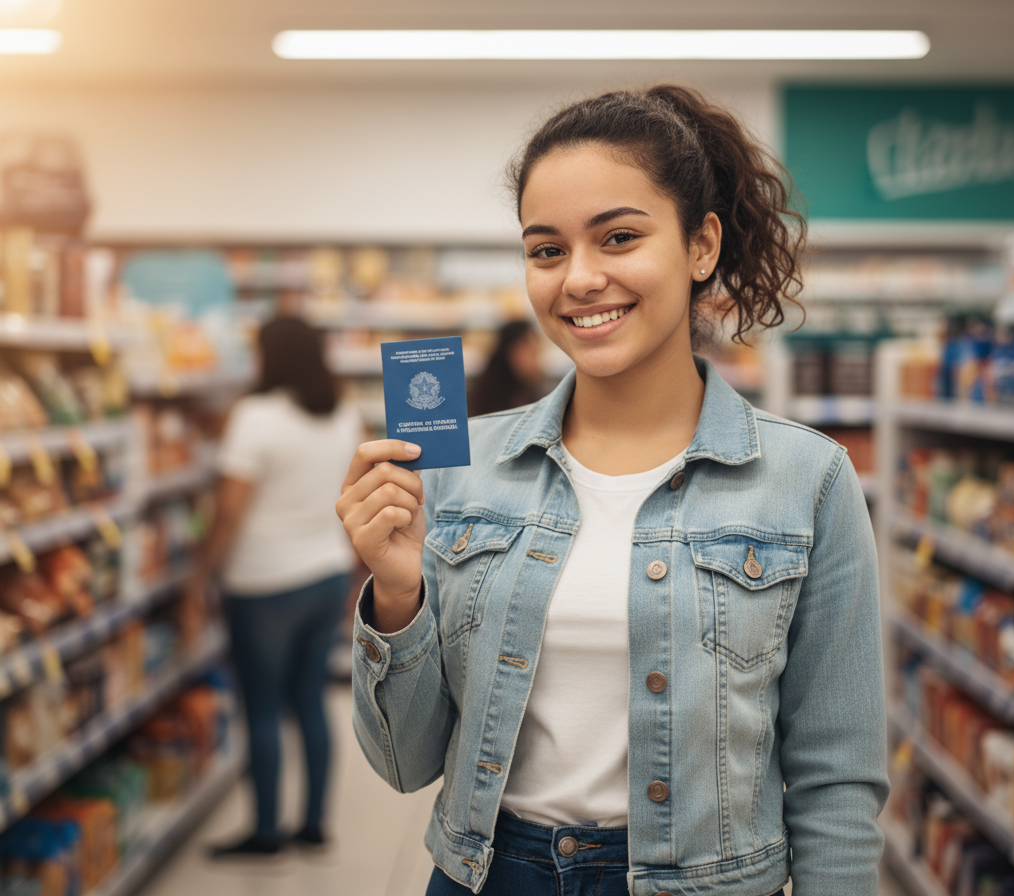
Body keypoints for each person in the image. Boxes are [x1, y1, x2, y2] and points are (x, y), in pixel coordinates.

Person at [339, 85, 889, 896]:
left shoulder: (807, 481)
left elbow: (837, 776)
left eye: (619, 237)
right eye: (546, 250)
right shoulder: (460, 467)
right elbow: (403, 763)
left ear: (701, 246)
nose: (581, 279)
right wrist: (396, 591)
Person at [189, 316, 363, 857]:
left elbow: (230, 511)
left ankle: (266, 831)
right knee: (310, 701)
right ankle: (313, 824)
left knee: (261, 708)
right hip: (326, 572)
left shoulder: (256, 417)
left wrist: (198, 576)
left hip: (263, 580)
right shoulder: (343, 412)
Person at [467, 320, 547, 417]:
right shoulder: (491, 399)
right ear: (512, 350)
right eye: (533, 353)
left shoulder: (529, 392)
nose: (538, 363)